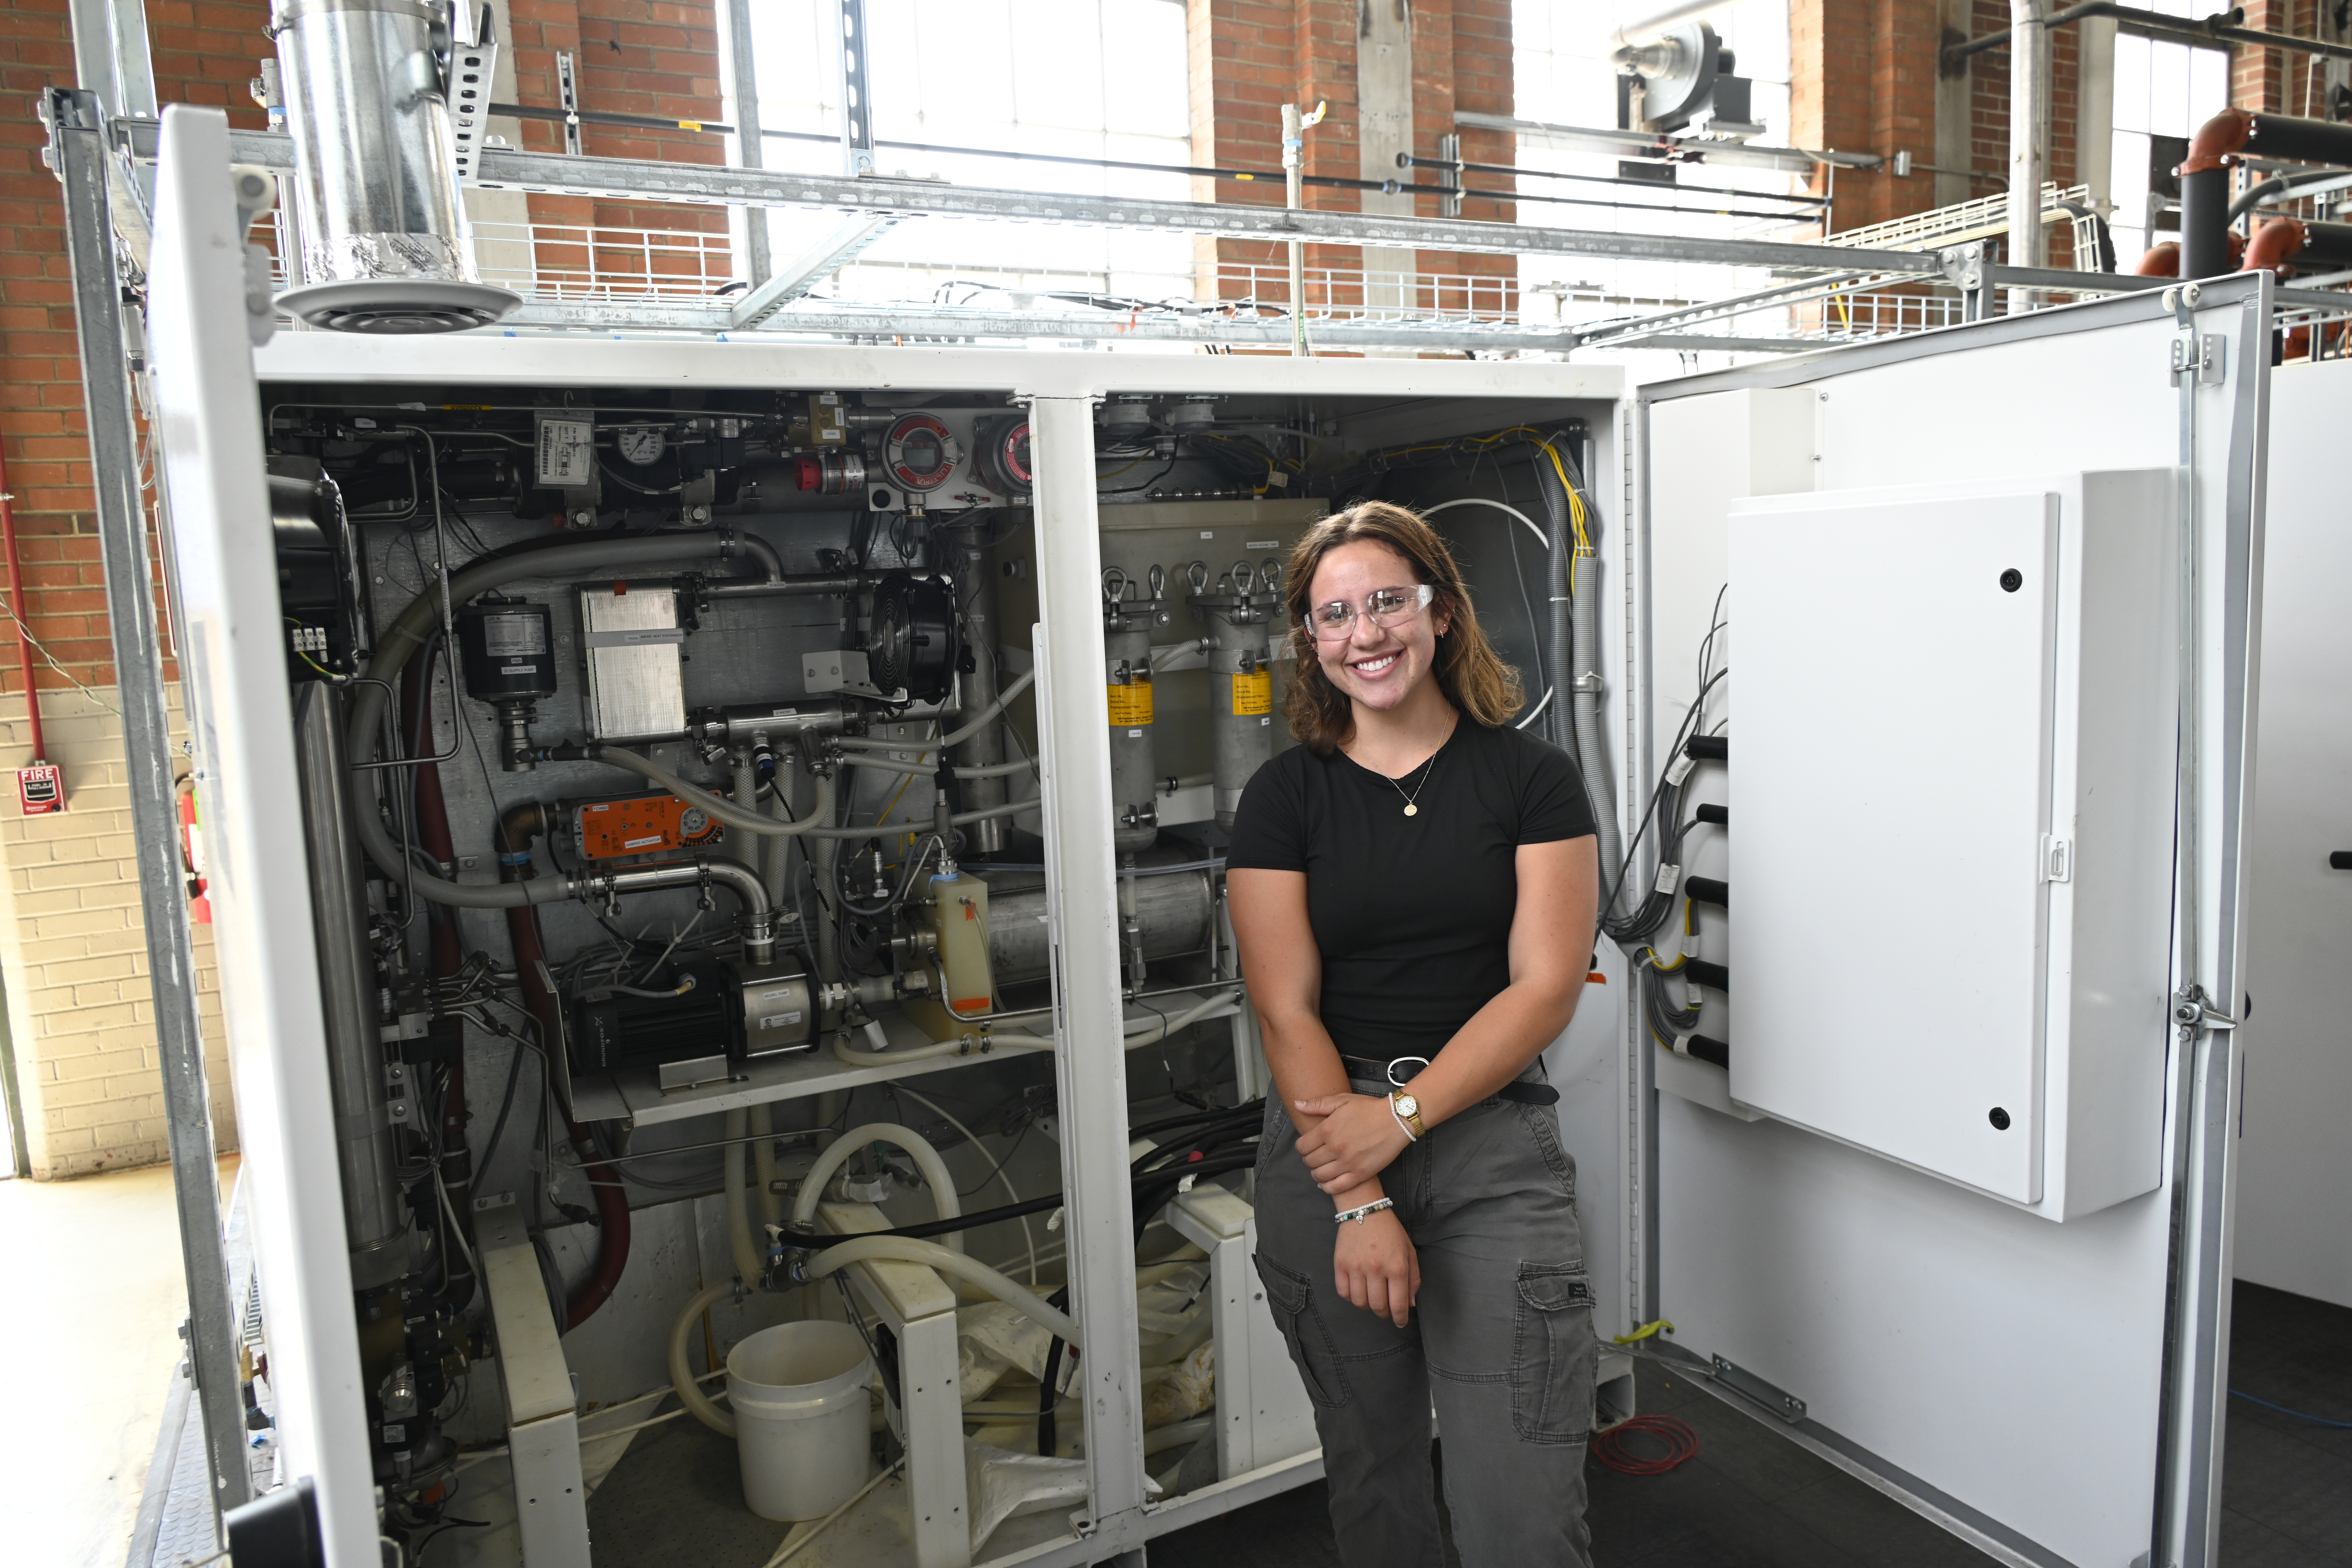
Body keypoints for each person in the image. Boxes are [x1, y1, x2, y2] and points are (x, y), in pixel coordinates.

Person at [1225, 500, 1602, 1567]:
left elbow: (1545, 988)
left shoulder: (1531, 780)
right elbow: (1284, 1005)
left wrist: (1401, 1119)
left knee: (1521, 1508)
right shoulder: (1286, 795)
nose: (1366, 634)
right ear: (1312, 643)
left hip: (1488, 1148)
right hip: (1323, 1146)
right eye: (1334, 614)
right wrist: (1359, 1194)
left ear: (1440, 612)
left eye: (1389, 601)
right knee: (1376, 1483)